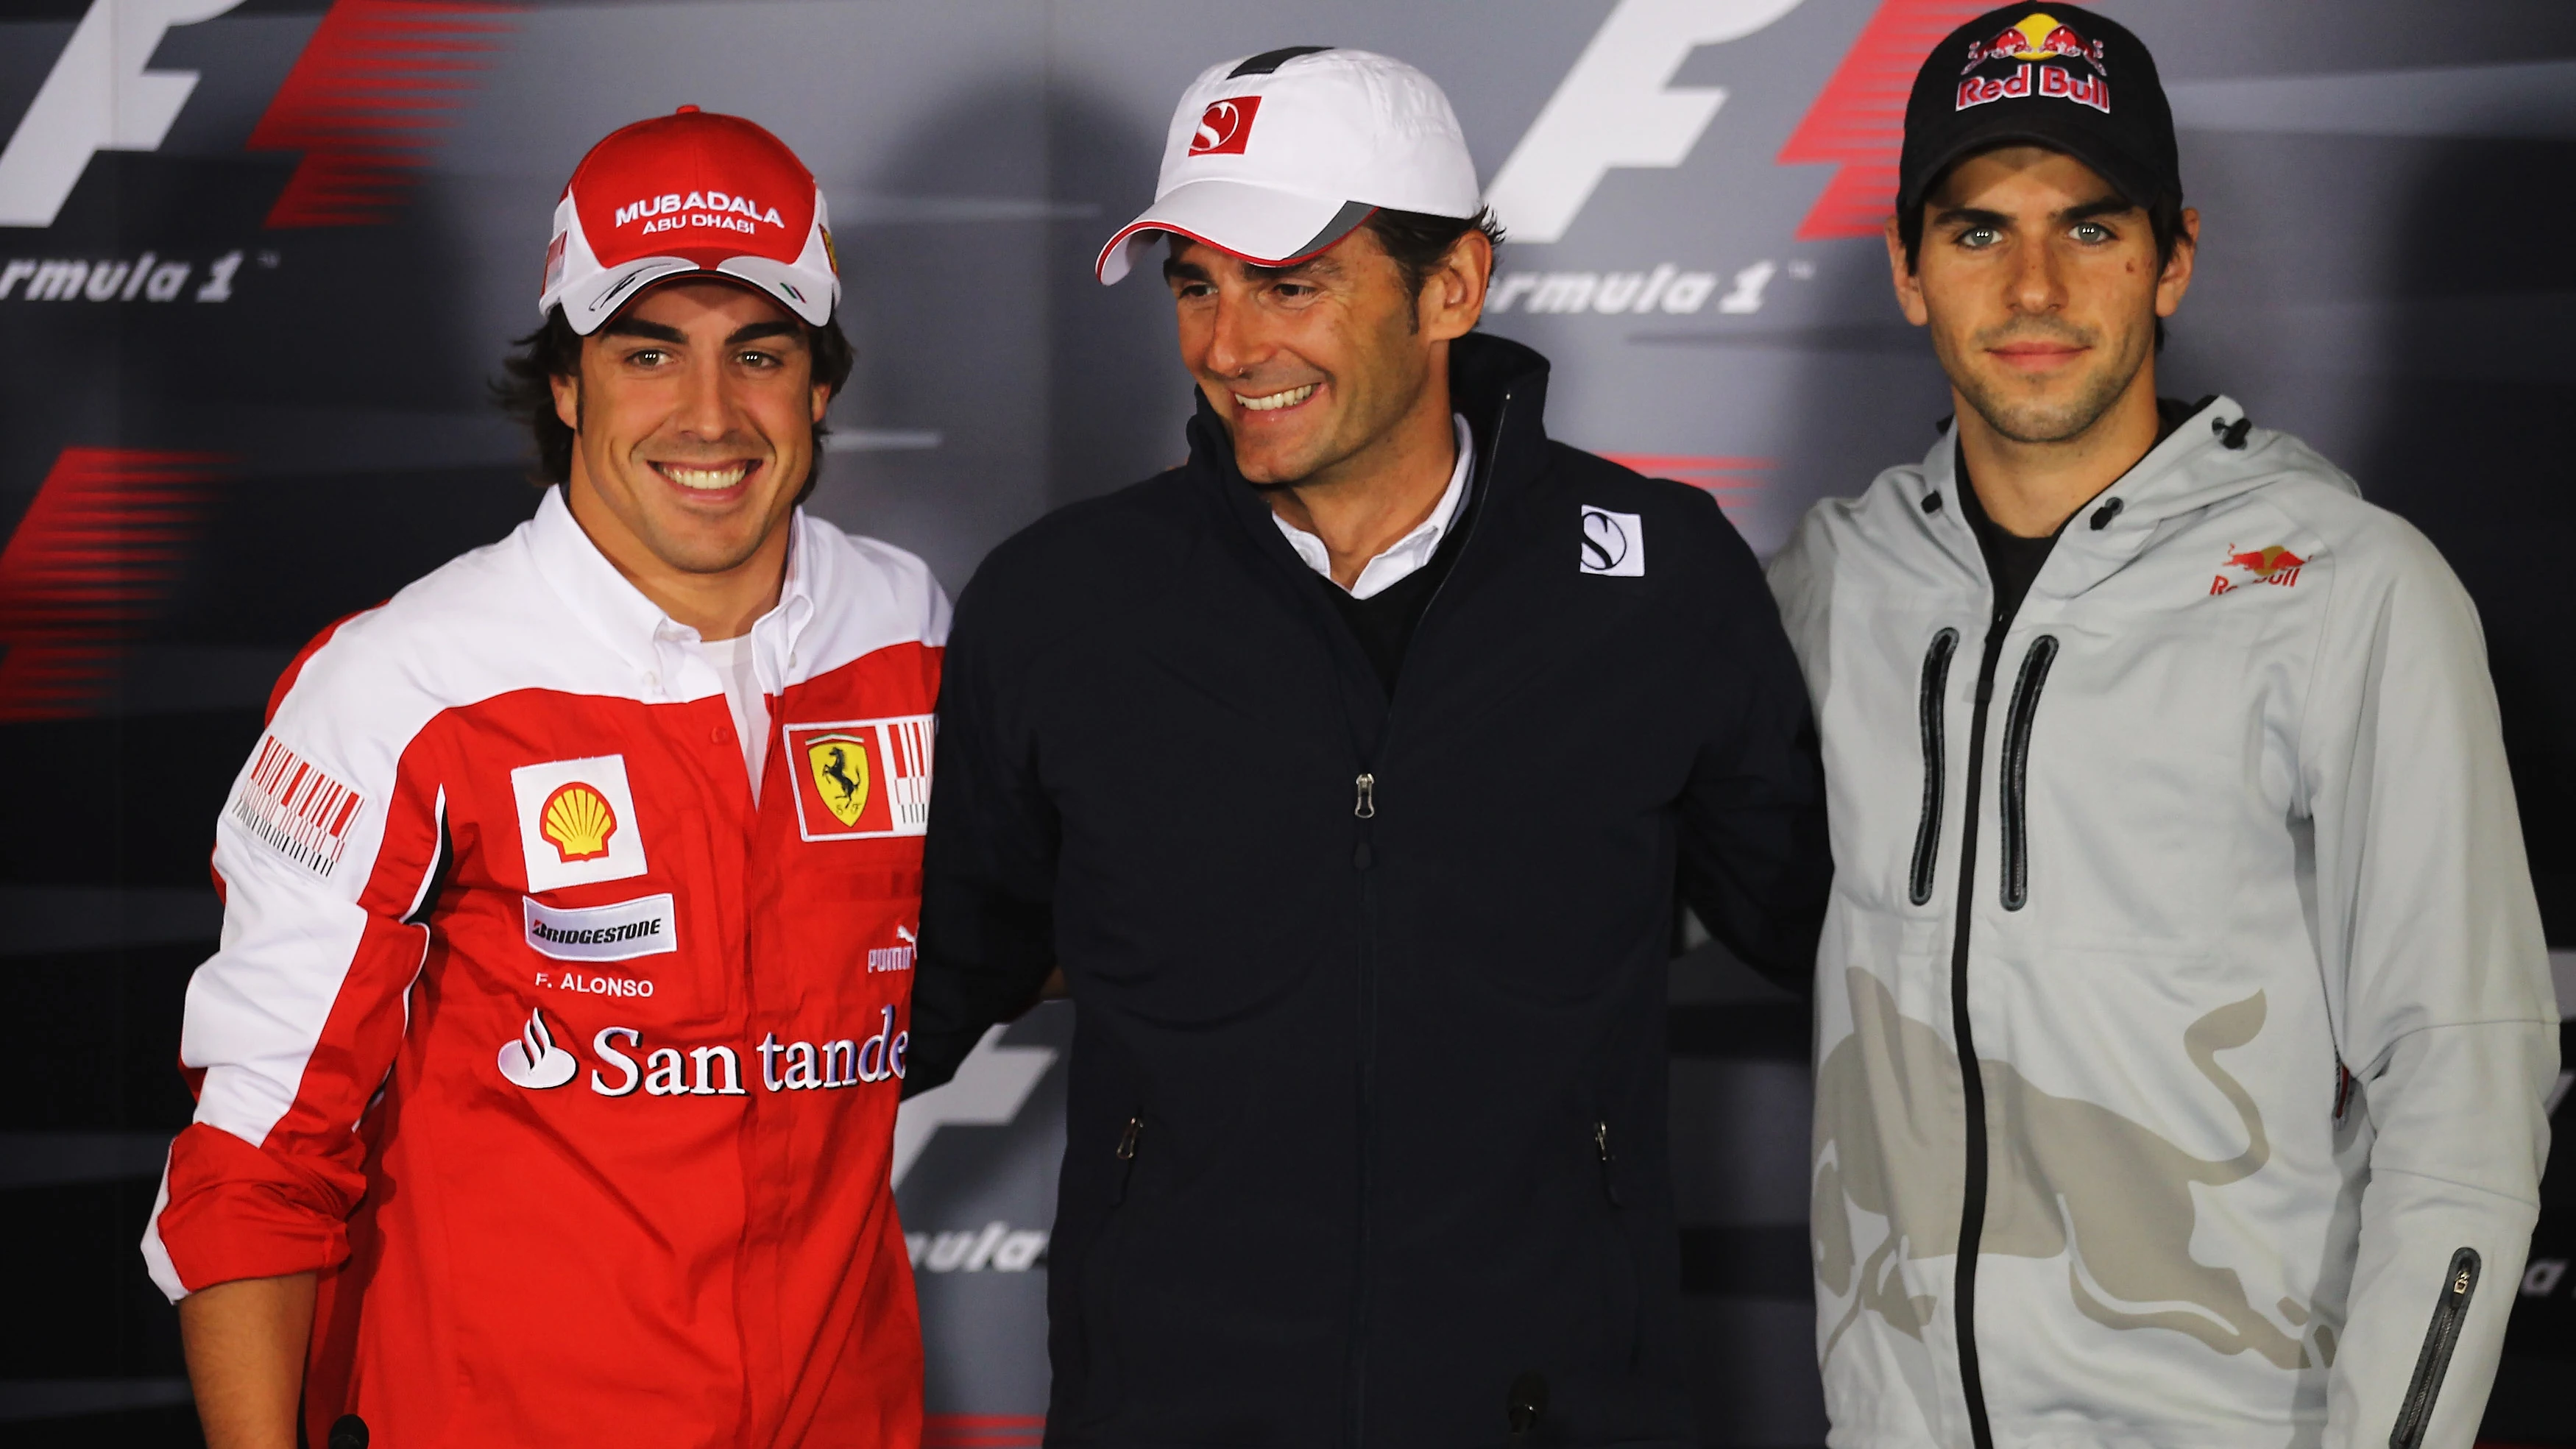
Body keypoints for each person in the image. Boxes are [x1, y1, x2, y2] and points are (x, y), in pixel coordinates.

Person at [905, 45, 1831, 1447]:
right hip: (1173, 1409)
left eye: (1291, 283)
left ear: (1452, 284)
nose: (1229, 346)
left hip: (1552, 1408)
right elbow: (919, 987)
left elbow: (1852, 943)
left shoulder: (1661, 582)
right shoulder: (1060, 604)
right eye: (1196, 285)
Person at [1767, 8, 2558, 1448]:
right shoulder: (1831, 584)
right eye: (1972, 232)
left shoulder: (2345, 589)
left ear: (2172, 256)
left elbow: (2464, 1085)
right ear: (1904, 268)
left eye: (2089, 226)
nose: (2030, 285)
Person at [144, 108, 946, 1449]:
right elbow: (256, 1157)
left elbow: (1019, 926)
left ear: (819, 384)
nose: (710, 414)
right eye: (649, 352)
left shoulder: (910, 629)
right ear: (566, 383)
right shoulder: (406, 682)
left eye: (760, 351)